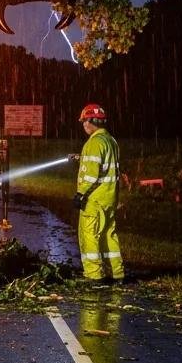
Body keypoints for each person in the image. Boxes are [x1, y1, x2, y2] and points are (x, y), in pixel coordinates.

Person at [71, 103, 124, 284]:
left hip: (94, 200)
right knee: (108, 234)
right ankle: (117, 274)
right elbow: (106, 167)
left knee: (89, 235)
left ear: (88, 121)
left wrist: (80, 194)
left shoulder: (93, 142)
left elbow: (91, 175)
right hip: (110, 197)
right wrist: (81, 158)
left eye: (84, 121)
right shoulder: (111, 141)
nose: (83, 125)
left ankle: (94, 276)